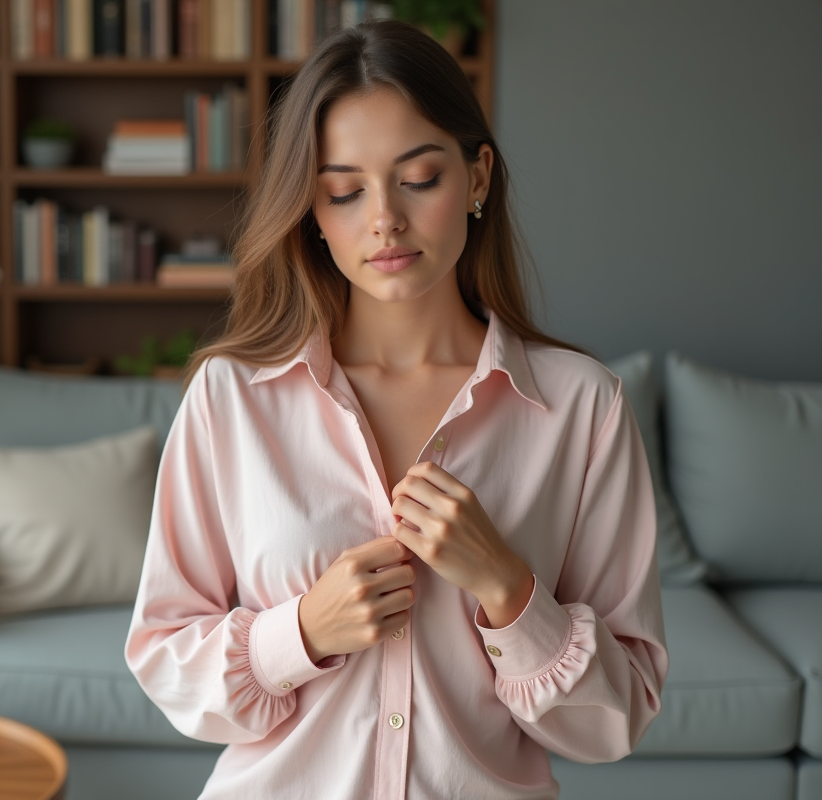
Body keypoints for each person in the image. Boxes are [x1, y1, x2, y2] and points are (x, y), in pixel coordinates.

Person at [124, 19, 668, 800]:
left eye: (418, 179)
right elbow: (162, 655)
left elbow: (618, 718)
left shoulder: (583, 408)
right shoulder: (231, 398)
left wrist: (511, 593)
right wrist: (299, 634)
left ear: (477, 176)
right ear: (311, 208)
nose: (384, 218)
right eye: (344, 191)